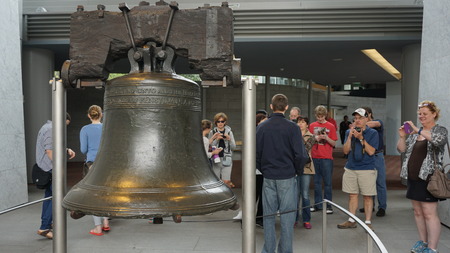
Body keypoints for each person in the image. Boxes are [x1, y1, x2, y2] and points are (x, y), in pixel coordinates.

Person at [256, 94, 308, 253]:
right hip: (287, 176)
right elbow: (301, 155)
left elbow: (256, 154)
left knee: (269, 218)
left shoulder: (262, 127)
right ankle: (285, 251)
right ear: (286, 107)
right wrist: (296, 172)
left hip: (269, 176)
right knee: (287, 219)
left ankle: (268, 250)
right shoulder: (293, 127)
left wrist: (264, 170)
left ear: (271, 107)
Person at [397, 101, 448, 253]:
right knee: (418, 212)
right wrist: (402, 136)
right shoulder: (415, 134)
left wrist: (417, 130)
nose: (421, 116)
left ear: (434, 114)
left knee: (429, 213)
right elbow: (401, 149)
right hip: (413, 177)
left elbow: (438, 141)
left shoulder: (440, 130)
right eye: (420, 114)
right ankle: (423, 242)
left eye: (425, 113)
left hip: (429, 179)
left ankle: (432, 248)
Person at [337, 108, 378, 231]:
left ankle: (368, 222)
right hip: (351, 168)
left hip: (367, 168)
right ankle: (351, 220)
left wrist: (360, 138)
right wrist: (349, 137)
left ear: (366, 119)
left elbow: (371, 152)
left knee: (367, 196)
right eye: (355, 118)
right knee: (352, 195)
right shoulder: (350, 131)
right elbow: (345, 151)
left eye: (360, 118)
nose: (357, 120)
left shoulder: (373, 133)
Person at [36, 113, 76, 239]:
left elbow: (53, 146)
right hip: (50, 168)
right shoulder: (50, 129)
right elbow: (49, 151)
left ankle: (47, 224)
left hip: (48, 168)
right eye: (65, 124)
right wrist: (58, 167)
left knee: (49, 197)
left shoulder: (47, 127)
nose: (65, 127)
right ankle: (44, 227)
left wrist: (66, 149)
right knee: (55, 198)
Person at [79, 105, 110, 236]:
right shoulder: (106, 128)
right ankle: (106, 222)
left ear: (89, 115)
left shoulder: (85, 129)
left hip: (92, 163)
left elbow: (83, 150)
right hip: (106, 163)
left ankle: (98, 228)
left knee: (93, 195)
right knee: (105, 193)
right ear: (101, 115)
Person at [358, 107, 387, 217]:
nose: (362, 118)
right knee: (368, 183)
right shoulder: (361, 127)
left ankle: (382, 207)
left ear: (370, 114)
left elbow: (374, 124)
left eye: (364, 115)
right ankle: (370, 205)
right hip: (366, 156)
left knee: (380, 183)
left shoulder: (378, 122)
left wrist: (361, 124)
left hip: (377, 155)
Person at [309, 105, 337, 214]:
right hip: (315, 157)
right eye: (318, 116)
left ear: (325, 115)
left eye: (322, 116)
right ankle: (317, 204)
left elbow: (334, 143)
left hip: (327, 158)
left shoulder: (331, 126)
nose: (320, 119)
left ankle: (329, 205)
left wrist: (326, 138)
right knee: (316, 182)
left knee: (328, 183)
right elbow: (309, 142)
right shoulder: (312, 126)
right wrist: (315, 138)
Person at [294, 116, 315, 229]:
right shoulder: (293, 135)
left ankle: (306, 219)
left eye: (303, 122)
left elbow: (304, 149)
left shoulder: (311, 136)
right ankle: (295, 218)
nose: (300, 124)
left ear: (307, 124)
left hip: (307, 168)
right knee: (295, 195)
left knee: (305, 194)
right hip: (295, 168)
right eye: (299, 122)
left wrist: (298, 136)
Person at [209, 112, 236, 188]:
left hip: (227, 158)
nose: (220, 123)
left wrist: (229, 139)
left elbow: (233, 147)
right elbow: (209, 146)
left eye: (222, 121)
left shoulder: (230, 132)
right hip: (215, 158)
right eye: (218, 121)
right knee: (215, 182)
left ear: (225, 122)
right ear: (215, 122)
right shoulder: (212, 132)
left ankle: (228, 198)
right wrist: (216, 139)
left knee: (227, 182)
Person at [255, 113, 268, 227]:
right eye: (263, 119)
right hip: (256, 168)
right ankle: (248, 217)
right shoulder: (254, 133)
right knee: (254, 194)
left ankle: (259, 218)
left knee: (263, 195)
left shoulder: (266, 132)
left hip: (263, 168)